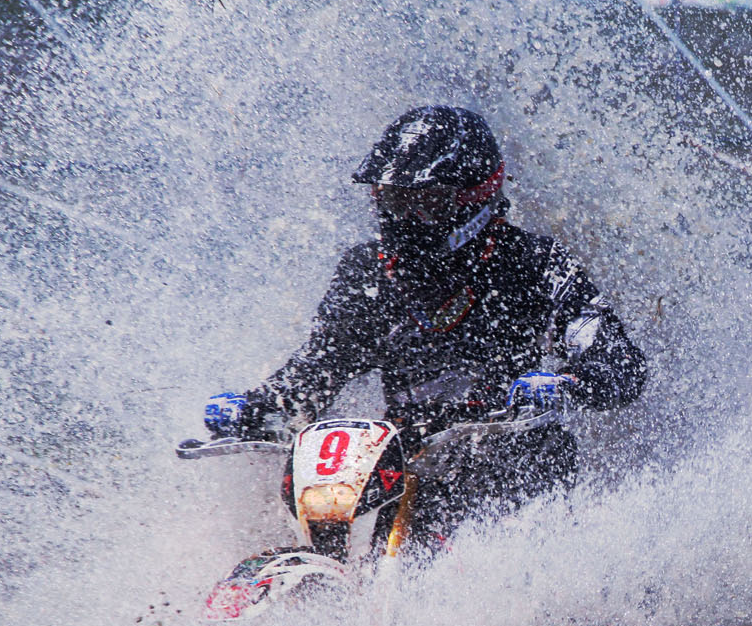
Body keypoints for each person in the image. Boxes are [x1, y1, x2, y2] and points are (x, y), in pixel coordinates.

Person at [206, 105, 646, 544]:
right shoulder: (367, 273)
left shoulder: (534, 263)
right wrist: (259, 406)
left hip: (512, 468)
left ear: (475, 199)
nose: (404, 221)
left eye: (427, 204)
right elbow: (319, 368)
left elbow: (620, 362)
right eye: (394, 201)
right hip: (406, 468)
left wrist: (567, 383)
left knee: (534, 459)